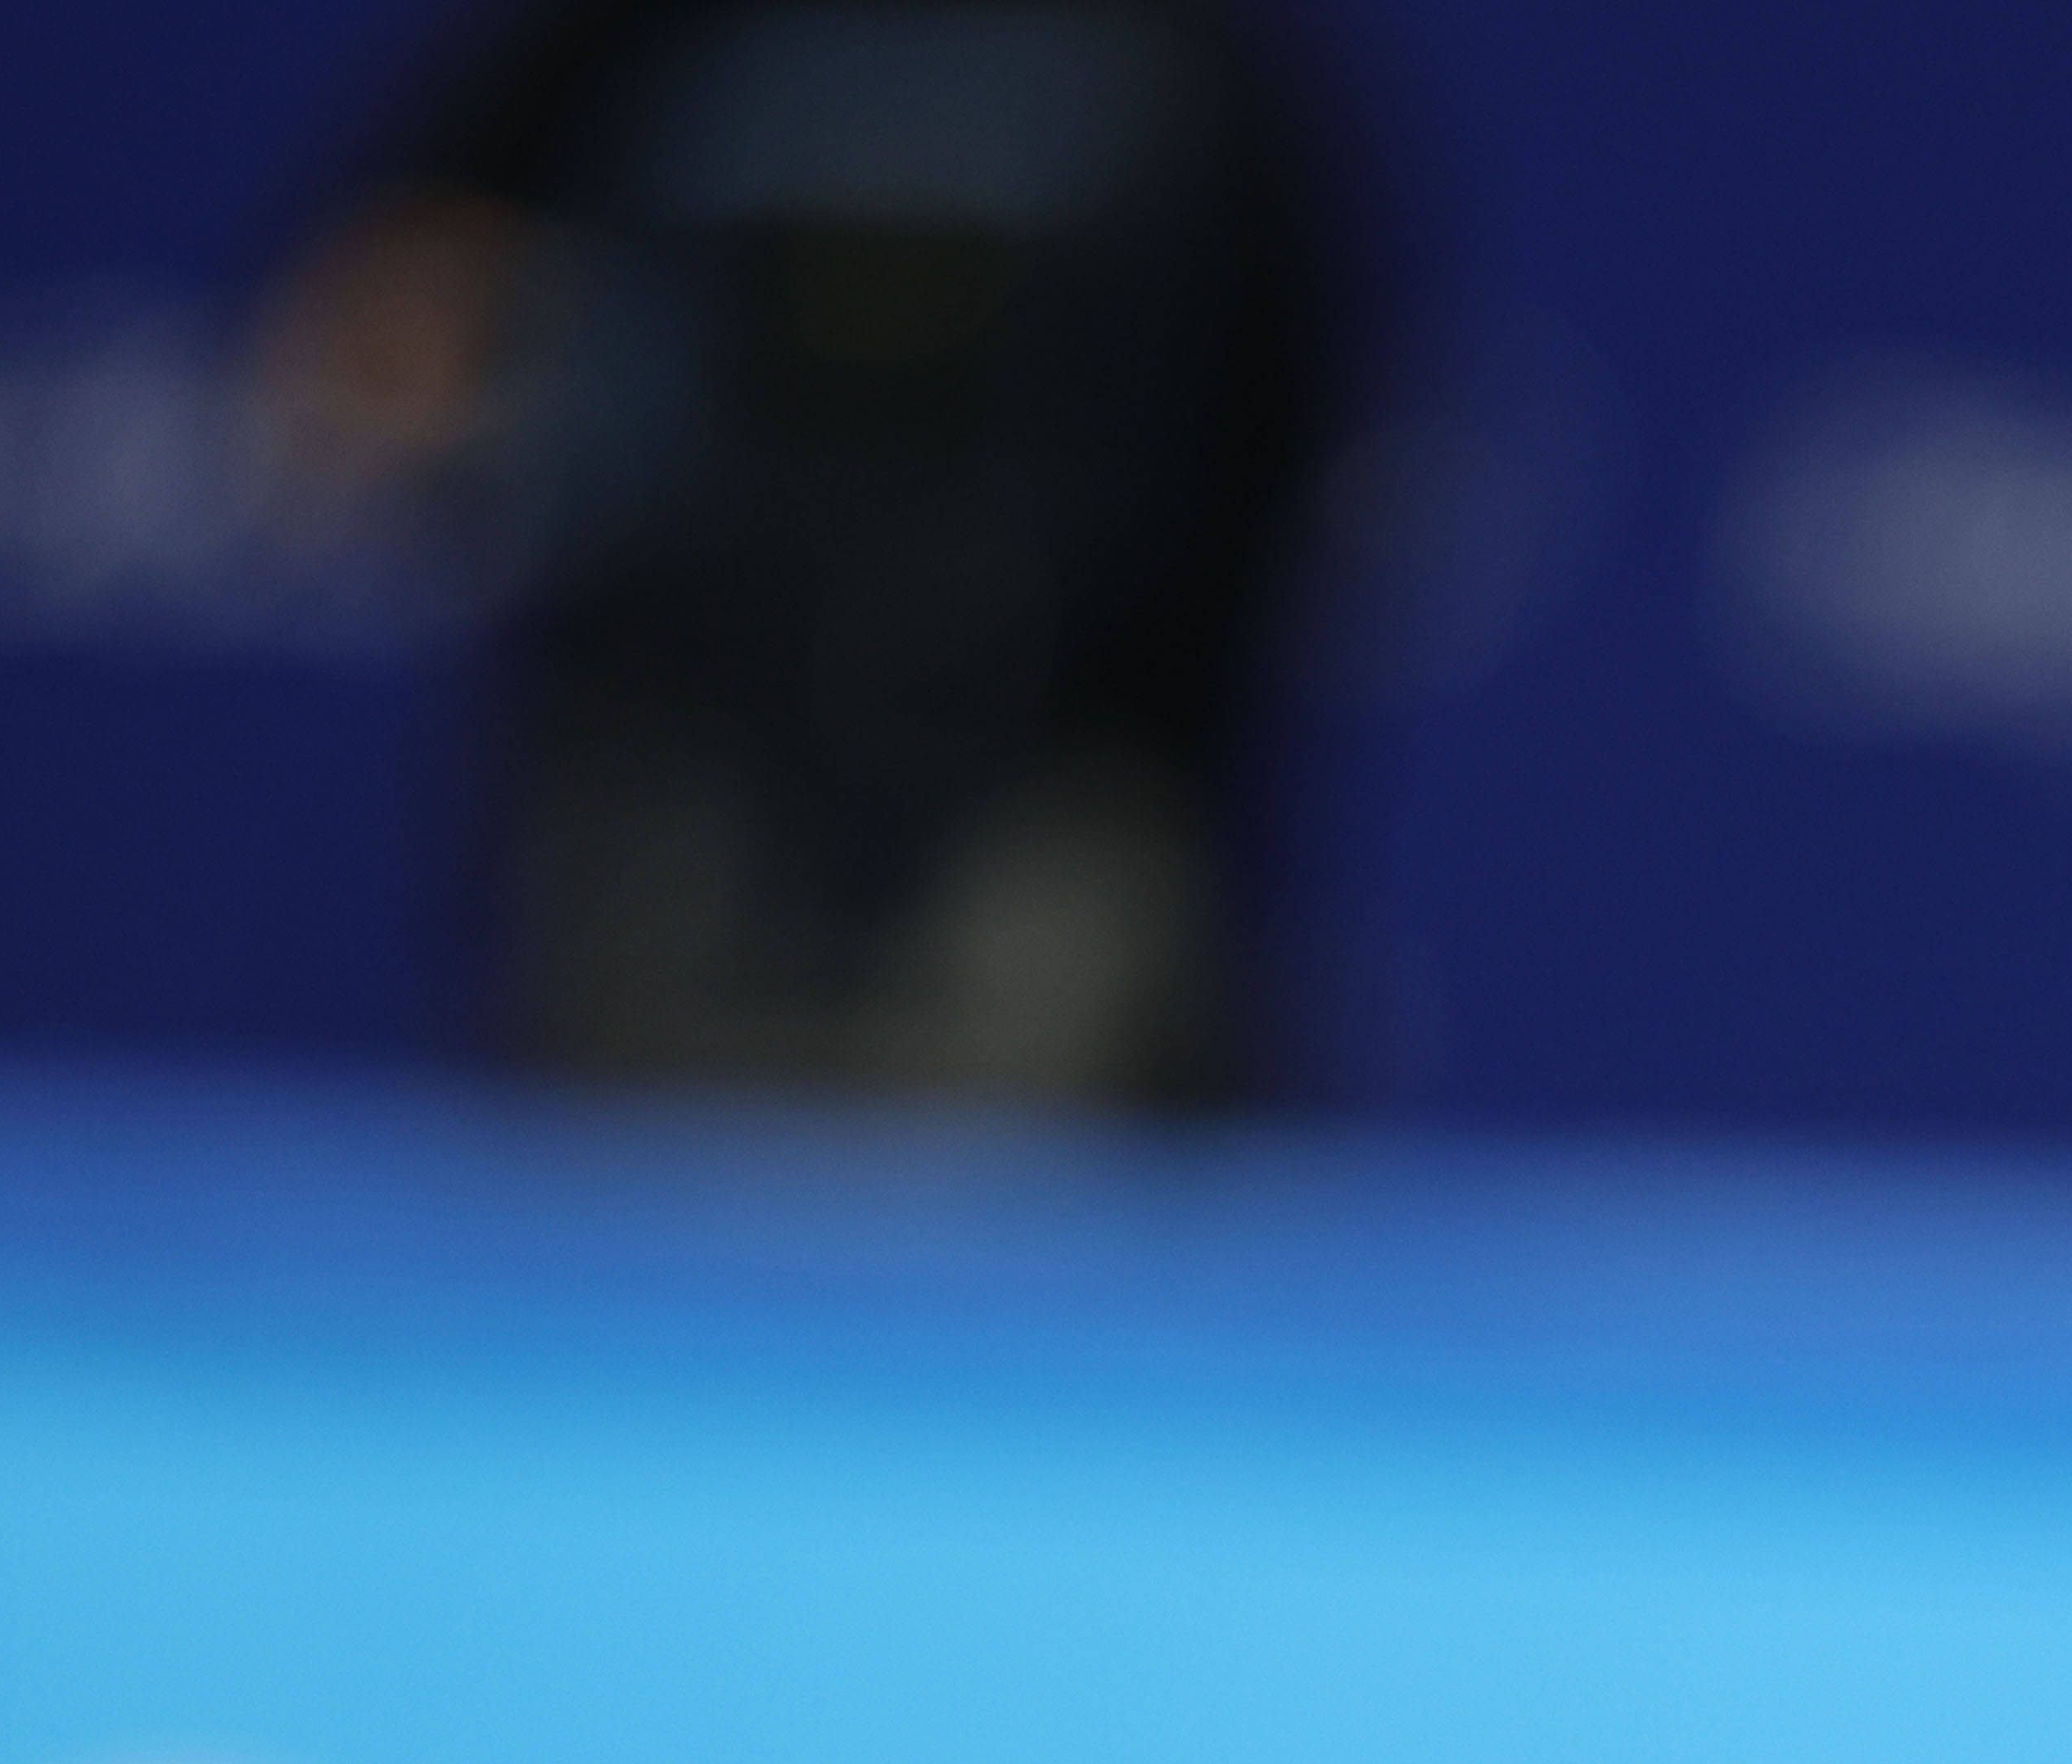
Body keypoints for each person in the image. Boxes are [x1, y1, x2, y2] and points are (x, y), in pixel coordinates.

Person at [253, 0, 1341, 1111]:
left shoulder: (1187, 60)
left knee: (1014, 1257)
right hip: (669, 806)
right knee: (631, 1256)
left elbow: (1287, 447)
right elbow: (381, 325)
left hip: (1043, 831)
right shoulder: (618, 41)